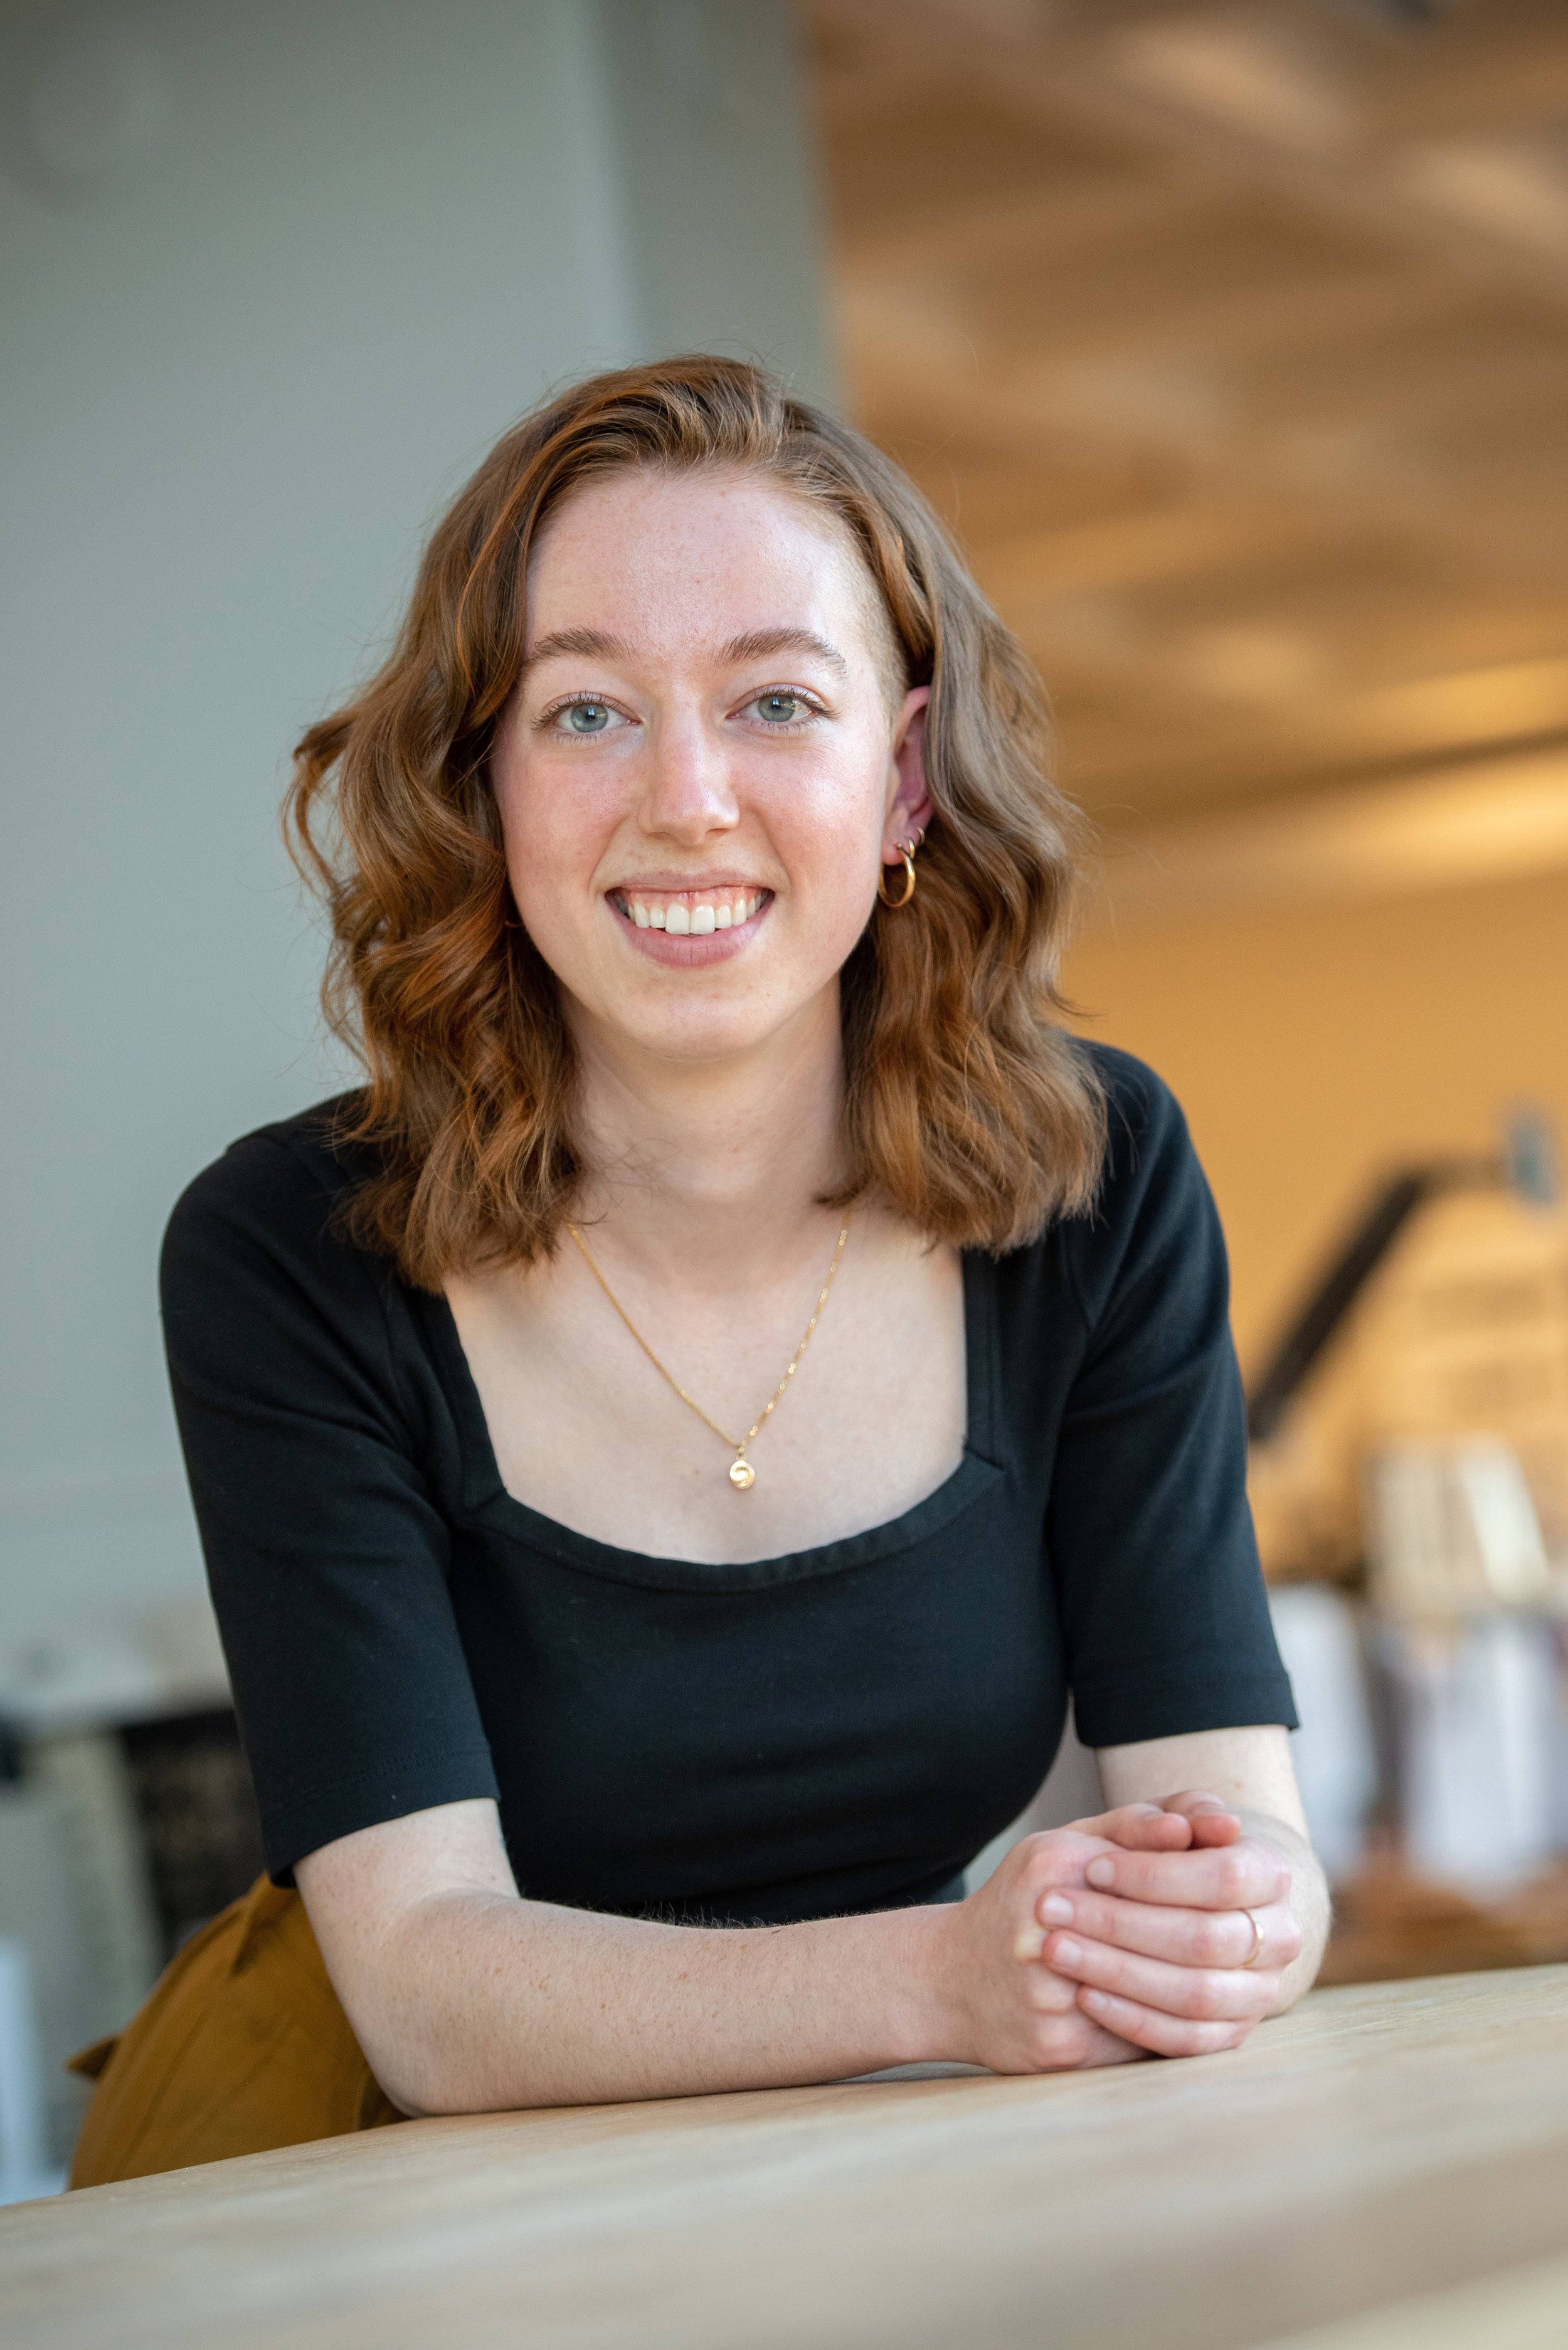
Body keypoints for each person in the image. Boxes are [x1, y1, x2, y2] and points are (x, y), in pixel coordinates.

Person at [71, 356, 1325, 2184]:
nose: (685, 798)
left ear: (899, 779)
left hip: (869, 2187)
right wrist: (946, 1977)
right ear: (481, 780)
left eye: (773, 702)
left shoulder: (1097, 1177)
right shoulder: (287, 1251)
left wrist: (1234, 1921)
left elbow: (1229, 1812)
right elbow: (426, 1988)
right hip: (375, 2210)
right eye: (586, 713)